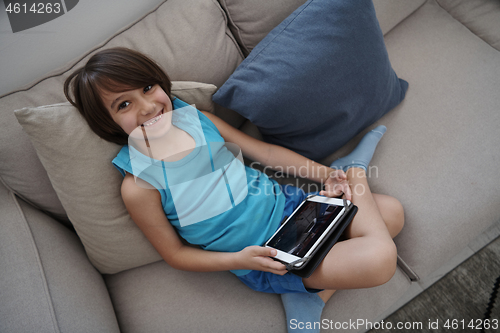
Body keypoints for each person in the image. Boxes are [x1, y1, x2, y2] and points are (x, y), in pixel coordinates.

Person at [64, 47, 404, 332]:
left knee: (393, 214)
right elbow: (176, 255)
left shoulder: (196, 120)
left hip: (294, 209)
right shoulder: (138, 185)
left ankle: (312, 283)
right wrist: (240, 260)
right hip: (267, 254)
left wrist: (325, 175)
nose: (148, 106)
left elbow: (266, 153)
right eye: (123, 105)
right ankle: (354, 173)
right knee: (380, 258)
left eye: (148, 88)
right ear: (107, 123)